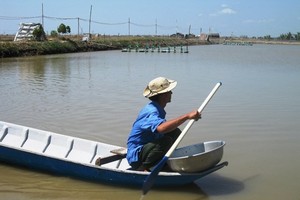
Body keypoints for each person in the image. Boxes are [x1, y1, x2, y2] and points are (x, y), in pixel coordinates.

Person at [126, 77, 201, 171]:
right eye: (169, 91)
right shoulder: (151, 111)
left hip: (147, 149)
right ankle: (144, 168)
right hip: (137, 157)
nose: (171, 93)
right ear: (163, 95)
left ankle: (161, 162)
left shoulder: (157, 108)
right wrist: (186, 116)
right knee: (165, 141)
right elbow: (161, 128)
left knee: (175, 132)